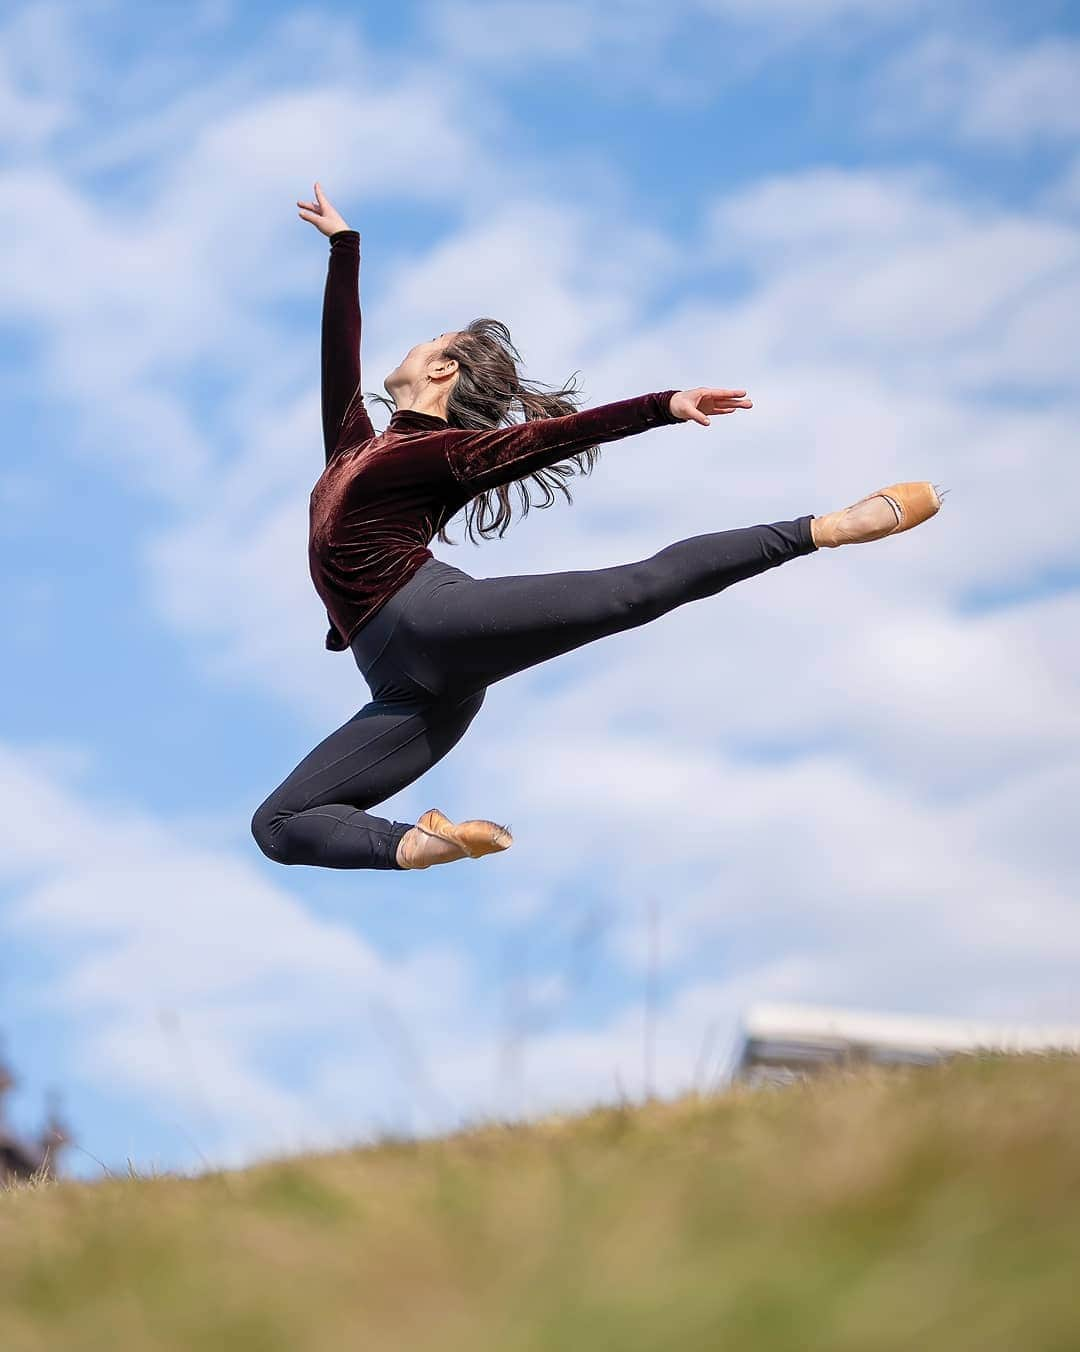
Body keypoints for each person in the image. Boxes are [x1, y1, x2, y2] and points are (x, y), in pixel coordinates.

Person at [250, 183, 943, 873]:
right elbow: (337, 355)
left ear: (441, 367)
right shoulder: (353, 444)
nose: (413, 346)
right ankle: (420, 843)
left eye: (429, 340)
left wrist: (664, 405)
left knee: (633, 592)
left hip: (430, 620)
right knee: (278, 824)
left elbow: (558, 435)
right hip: (405, 689)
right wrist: (345, 248)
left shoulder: (442, 455)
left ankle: (822, 527)